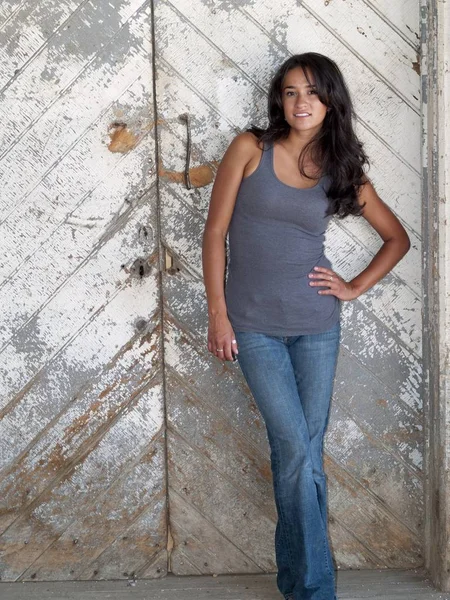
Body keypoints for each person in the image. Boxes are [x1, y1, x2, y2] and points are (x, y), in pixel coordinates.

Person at [201, 52, 410, 600]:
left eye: (313, 93)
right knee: (296, 450)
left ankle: (299, 584)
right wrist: (218, 314)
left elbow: (397, 238)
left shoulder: (342, 169)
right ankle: (317, 591)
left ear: (330, 101)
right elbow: (214, 233)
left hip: (317, 326)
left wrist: (354, 286)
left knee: (301, 456)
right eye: (292, 92)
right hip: (253, 327)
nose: (302, 103)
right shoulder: (251, 149)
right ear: (280, 98)